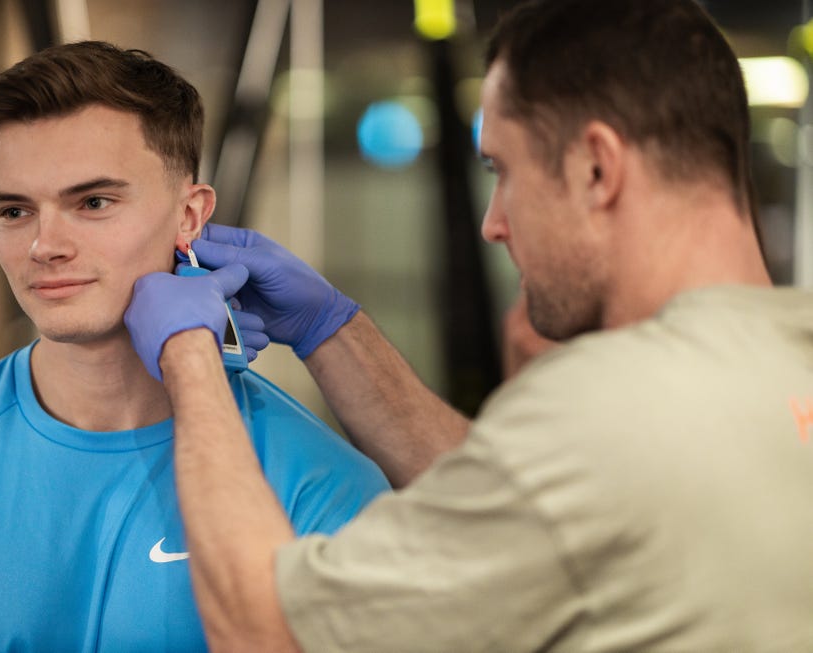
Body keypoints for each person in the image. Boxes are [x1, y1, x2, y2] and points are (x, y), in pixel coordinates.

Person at [122, 0, 813, 650]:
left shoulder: (603, 409)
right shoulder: (766, 370)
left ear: (598, 168)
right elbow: (533, 511)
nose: (493, 222)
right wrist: (331, 329)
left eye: (503, 170)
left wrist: (190, 354)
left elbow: (265, 626)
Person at [0, 41, 389, 652]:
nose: (45, 246)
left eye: (93, 202)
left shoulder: (319, 481)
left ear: (190, 215)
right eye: (16, 210)